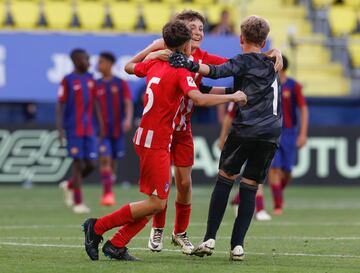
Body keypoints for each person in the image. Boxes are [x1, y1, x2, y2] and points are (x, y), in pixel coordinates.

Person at [82, 20, 247, 262]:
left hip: (147, 136)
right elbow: (198, 99)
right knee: (157, 203)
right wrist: (234, 95)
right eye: (191, 40)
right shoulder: (180, 70)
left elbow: (129, 67)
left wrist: (152, 51)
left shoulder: (156, 62)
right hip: (156, 140)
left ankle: (116, 244)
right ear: (184, 46)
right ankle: (96, 227)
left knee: (156, 201)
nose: (195, 43)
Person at [122, 10, 282, 255]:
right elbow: (130, 67)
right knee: (162, 184)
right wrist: (153, 51)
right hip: (160, 128)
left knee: (185, 183)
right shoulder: (162, 50)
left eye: (201, 28)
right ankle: (158, 229)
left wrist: (274, 52)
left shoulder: (205, 58)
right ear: (181, 30)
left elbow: (242, 62)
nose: (197, 31)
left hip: (182, 128)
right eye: (192, 27)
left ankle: (180, 234)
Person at [169, 15, 282, 261]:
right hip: (272, 131)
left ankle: (209, 239)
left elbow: (217, 71)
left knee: (225, 179)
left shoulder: (244, 60)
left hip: (246, 129)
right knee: (251, 186)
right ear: (263, 41)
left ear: (241, 39)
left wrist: (188, 65)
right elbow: (234, 88)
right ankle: (238, 246)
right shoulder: (271, 62)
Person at [57, 48, 103, 214]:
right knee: (77, 164)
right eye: (86, 59)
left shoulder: (91, 79)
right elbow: (60, 105)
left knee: (91, 164)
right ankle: (78, 202)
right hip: (73, 129)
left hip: (89, 128)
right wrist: (60, 129)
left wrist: (101, 125)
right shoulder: (67, 80)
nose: (89, 62)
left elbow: (96, 103)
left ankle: (69, 185)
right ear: (76, 60)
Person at [268, 55, 308, 215]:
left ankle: (277, 191)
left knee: (287, 171)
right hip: (272, 131)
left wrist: (303, 133)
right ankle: (278, 204)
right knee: (274, 168)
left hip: (289, 132)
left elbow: (304, 109)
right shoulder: (268, 85)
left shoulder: (293, 86)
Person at [218, 102, 272, 221]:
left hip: (260, 134)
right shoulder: (242, 92)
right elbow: (229, 116)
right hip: (241, 135)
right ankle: (258, 208)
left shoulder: (265, 91)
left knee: (256, 170)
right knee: (233, 173)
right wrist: (222, 138)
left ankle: (246, 203)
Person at [96, 52, 134, 206]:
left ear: (110, 64)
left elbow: (128, 102)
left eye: (101, 62)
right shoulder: (96, 84)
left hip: (117, 128)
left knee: (113, 161)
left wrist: (128, 119)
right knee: (105, 158)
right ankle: (108, 193)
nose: (99, 65)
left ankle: (108, 188)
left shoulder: (120, 83)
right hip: (101, 130)